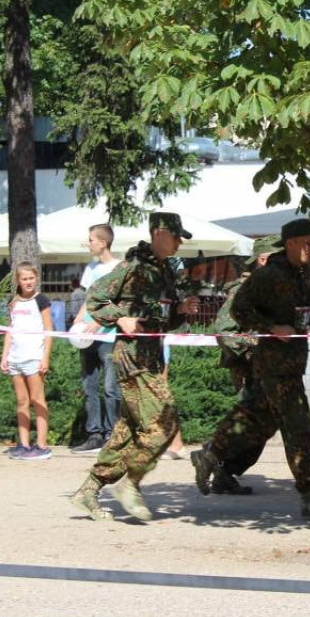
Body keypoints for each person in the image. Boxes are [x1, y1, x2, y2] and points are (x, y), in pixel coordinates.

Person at [191, 218, 310, 518]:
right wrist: (270, 327)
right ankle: (309, 495)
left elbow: (303, 314)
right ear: (292, 243)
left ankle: (211, 454)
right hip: (273, 365)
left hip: (295, 363)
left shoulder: (307, 275)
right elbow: (238, 311)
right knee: (298, 427)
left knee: (256, 419)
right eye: (307, 242)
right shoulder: (267, 275)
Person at [70, 212, 200, 522]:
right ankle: (130, 483)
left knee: (125, 432)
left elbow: (164, 320)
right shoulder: (131, 267)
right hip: (131, 356)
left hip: (150, 356)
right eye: (176, 235)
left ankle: (88, 491)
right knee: (164, 422)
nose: (180, 241)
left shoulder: (165, 272)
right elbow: (95, 298)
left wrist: (182, 310)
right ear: (158, 233)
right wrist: (120, 318)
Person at [195, 234, 278, 494]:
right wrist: (254, 345)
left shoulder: (271, 287)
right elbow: (222, 330)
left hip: (268, 367)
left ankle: (224, 470)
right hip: (250, 368)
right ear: (263, 260)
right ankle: (212, 453)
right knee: (254, 422)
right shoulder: (245, 289)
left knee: (266, 423)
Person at [70, 224, 121, 454]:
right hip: (87, 337)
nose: (88, 243)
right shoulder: (91, 267)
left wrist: (99, 322)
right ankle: (94, 433)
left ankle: (112, 433)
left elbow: (118, 304)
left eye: (91, 239)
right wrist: (77, 323)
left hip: (108, 336)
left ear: (103, 242)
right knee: (90, 385)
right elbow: (87, 301)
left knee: (111, 388)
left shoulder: (119, 268)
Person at [0, 262, 54, 460]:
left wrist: (45, 357)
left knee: (38, 400)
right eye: (24, 279)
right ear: (18, 281)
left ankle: (42, 444)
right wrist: (4, 356)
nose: (28, 282)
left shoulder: (41, 300)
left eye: (31, 278)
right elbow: (9, 330)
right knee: (22, 401)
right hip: (16, 358)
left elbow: (49, 331)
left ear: (36, 278)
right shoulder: (13, 302)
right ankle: (23, 444)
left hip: (34, 357)